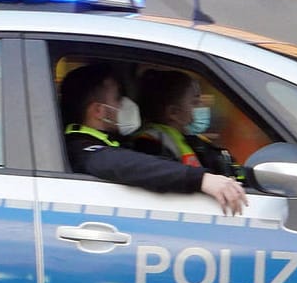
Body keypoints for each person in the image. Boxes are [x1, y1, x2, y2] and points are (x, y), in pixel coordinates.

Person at [60, 61, 246, 215]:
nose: (126, 104)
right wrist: (201, 179)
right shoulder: (81, 148)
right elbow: (120, 163)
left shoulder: (107, 140)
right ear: (98, 111)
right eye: (118, 98)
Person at [127, 68, 239, 178]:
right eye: (195, 102)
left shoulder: (191, 139)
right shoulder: (149, 144)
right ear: (173, 112)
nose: (202, 107)